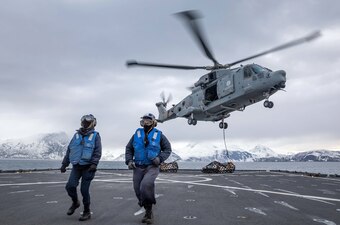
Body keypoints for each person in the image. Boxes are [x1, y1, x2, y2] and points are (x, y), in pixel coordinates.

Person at [125, 113, 172, 224]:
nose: (145, 123)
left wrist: (159, 159)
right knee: (138, 190)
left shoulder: (159, 135)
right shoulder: (136, 134)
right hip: (138, 166)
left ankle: (149, 211)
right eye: (144, 120)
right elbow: (129, 148)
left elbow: (167, 149)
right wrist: (129, 160)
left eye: (148, 121)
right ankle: (147, 209)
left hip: (152, 166)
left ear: (153, 122)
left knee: (146, 185)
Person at [60, 114, 102, 221]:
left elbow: (97, 152)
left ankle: (87, 211)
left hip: (88, 167)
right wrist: (64, 164)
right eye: (84, 121)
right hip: (76, 166)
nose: (85, 123)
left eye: (87, 122)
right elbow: (70, 150)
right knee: (70, 186)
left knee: (84, 190)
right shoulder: (76, 135)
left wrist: (94, 164)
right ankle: (75, 202)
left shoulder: (95, 136)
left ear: (92, 123)